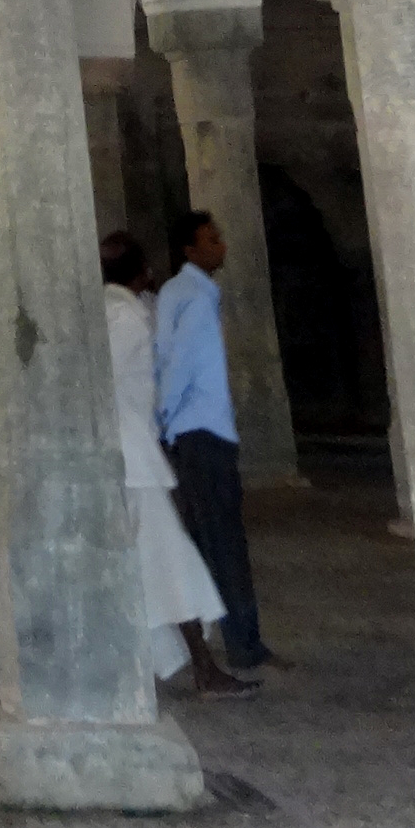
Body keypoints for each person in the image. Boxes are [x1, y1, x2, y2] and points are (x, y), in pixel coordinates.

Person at [101, 233, 255, 697]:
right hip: (132, 460)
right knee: (171, 563)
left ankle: (185, 667)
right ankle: (204, 670)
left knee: (148, 565)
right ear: (143, 272)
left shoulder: (105, 311)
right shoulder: (127, 317)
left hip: (120, 457)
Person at [155, 208, 284, 671]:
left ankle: (235, 640)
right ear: (189, 250)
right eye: (211, 240)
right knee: (223, 544)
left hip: (194, 432)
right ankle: (242, 644)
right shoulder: (192, 297)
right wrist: (165, 420)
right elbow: (178, 368)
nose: (222, 246)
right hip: (202, 433)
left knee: (213, 540)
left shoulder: (181, 292)